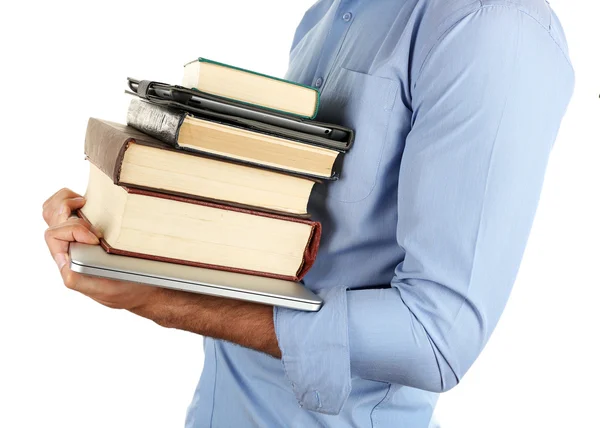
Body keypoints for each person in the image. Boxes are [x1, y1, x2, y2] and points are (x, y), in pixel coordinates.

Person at [43, 0, 574, 426]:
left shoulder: (493, 26)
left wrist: (162, 301)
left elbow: (437, 338)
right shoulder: (325, 16)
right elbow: (287, 246)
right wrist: (129, 229)